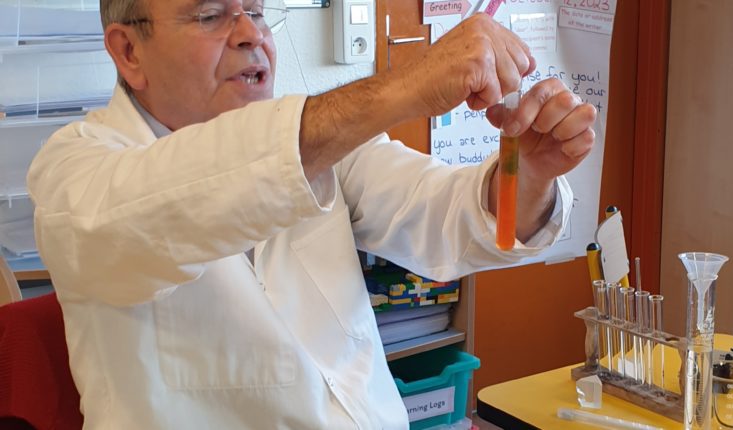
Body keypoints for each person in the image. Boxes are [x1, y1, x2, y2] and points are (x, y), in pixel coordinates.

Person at [26, 0, 597, 427]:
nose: (251, 33)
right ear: (129, 51)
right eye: (210, 16)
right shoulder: (74, 174)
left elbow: (453, 218)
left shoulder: (324, 147)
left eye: (255, 10)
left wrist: (532, 174)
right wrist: (409, 85)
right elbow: (176, 197)